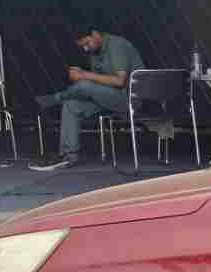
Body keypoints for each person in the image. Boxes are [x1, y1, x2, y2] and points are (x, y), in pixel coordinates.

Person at [31, 28, 144, 172]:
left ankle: (56, 98)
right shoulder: (95, 52)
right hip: (108, 98)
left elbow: (119, 81)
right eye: (83, 46)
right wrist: (81, 75)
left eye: (86, 43)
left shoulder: (117, 45)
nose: (85, 48)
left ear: (95, 34)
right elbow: (98, 83)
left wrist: (84, 75)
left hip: (128, 99)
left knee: (84, 85)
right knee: (71, 105)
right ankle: (68, 155)